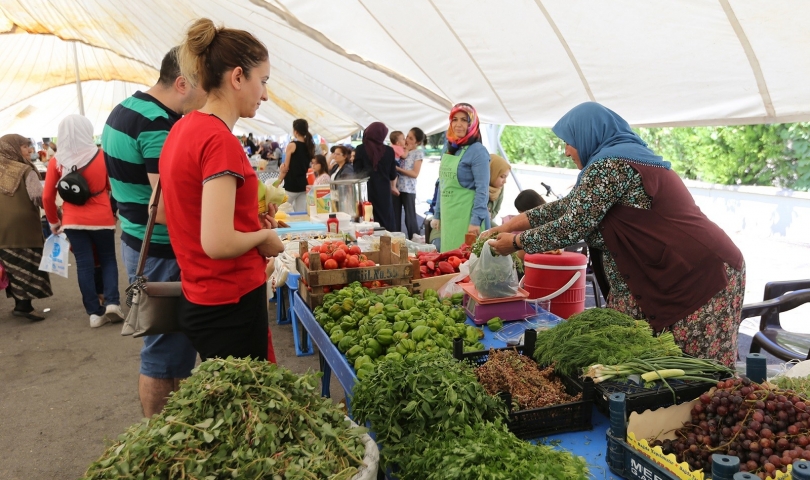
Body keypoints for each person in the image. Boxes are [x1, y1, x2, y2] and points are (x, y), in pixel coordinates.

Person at [486, 102, 745, 367]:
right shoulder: (615, 161)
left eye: (568, 142)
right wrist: (509, 226)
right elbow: (568, 206)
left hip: (700, 275)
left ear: (588, 134)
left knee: (695, 371)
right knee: (656, 366)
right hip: (676, 273)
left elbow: (573, 224)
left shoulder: (610, 166)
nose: (565, 152)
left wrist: (516, 242)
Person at [160, 18, 284, 362]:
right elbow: (217, 243)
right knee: (252, 406)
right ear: (238, 77)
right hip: (229, 304)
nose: (265, 94)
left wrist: (250, 220)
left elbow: (189, 211)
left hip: (202, 296)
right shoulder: (220, 141)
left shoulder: (183, 129)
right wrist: (262, 239)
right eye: (263, 81)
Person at [102, 47, 205, 418]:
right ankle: (159, 435)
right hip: (162, 252)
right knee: (164, 352)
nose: (206, 97)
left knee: (167, 349)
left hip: (136, 241)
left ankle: (167, 430)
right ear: (182, 83)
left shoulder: (126, 109)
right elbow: (163, 210)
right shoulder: (158, 126)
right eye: (203, 88)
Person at [43, 115, 122, 328]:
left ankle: (94, 313)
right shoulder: (102, 156)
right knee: (107, 259)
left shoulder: (56, 161)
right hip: (102, 218)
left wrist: (53, 222)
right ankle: (113, 302)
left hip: (72, 221)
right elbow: (113, 188)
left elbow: (47, 197)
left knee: (84, 264)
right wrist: (115, 210)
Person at [0, 134, 52, 320]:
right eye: (24, 147)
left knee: (8, 266)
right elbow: (38, 196)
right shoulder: (24, 170)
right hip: (22, 228)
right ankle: (24, 306)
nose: (30, 150)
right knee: (26, 263)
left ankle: (19, 303)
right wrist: (56, 213)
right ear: (13, 148)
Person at [431, 103, 490, 252]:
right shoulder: (449, 147)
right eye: (454, 119)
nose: (458, 124)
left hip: (467, 219)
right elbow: (443, 183)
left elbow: (482, 190)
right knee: (449, 263)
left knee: (467, 264)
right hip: (449, 217)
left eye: (464, 120)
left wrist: (475, 221)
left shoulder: (478, 151)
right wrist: (437, 214)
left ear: (472, 123)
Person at [352, 122, 398, 231]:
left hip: (366, 192)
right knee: (385, 221)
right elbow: (392, 174)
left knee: (368, 220)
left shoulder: (360, 149)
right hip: (384, 192)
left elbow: (357, 172)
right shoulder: (389, 151)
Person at [393, 127, 425, 239]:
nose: (407, 140)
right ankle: (395, 240)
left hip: (408, 189)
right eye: (407, 136)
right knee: (395, 216)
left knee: (410, 217)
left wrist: (397, 169)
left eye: (411, 138)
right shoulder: (401, 149)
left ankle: (415, 239)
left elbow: (415, 173)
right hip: (396, 188)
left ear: (418, 142)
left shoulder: (417, 154)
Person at [276, 119, 314, 212]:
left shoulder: (292, 145)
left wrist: (277, 182)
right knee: (300, 214)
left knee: (281, 211)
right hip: (303, 185)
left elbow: (285, 168)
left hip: (291, 185)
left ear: (295, 131)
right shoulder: (310, 146)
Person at [487, 154, 511, 226]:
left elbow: (496, 209)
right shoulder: (477, 186)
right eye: (502, 177)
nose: (505, 181)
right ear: (492, 173)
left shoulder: (500, 188)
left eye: (506, 177)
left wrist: (490, 215)